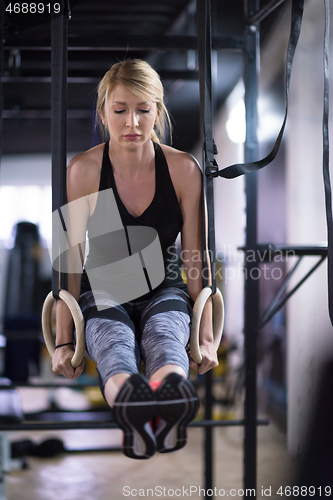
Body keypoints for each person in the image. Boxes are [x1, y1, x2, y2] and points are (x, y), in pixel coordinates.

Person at [51, 59, 218, 459]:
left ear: (157, 112)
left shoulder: (183, 169)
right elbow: (69, 261)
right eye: (120, 110)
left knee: (165, 335)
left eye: (144, 110)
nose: (132, 123)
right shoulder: (84, 170)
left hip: (165, 287)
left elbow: (196, 255)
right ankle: (135, 412)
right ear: (104, 112)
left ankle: (167, 408)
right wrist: (63, 341)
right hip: (103, 290)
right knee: (115, 345)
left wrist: (207, 335)